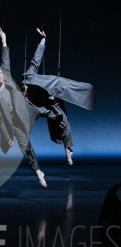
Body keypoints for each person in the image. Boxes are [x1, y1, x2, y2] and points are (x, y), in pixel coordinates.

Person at [22, 28, 95, 165]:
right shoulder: (26, 100)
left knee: (64, 114)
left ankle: (68, 148)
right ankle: (68, 148)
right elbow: (31, 115)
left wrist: (43, 40)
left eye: (24, 89)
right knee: (61, 118)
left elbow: (35, 60)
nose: (25, 91)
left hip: (54, 88)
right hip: (49, 101)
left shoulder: (28, 76)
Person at [0, 28, 47, 188]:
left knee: (53, 110)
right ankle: (38, 172)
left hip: (32, 109)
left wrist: (42, 41)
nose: (0, 76)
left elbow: (34, 63)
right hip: (17, 123)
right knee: (25, 146)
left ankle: (66, 143)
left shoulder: (23, 83)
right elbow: (0, 120)